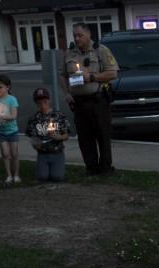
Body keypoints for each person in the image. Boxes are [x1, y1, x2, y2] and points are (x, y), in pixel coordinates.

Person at [60, 23, 118, 176]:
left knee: (102, 135)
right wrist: (66, 92)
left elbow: (113, 73)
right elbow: (62, 74)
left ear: (88, 35)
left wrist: (92, 77)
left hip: (98, 100)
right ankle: (91, 167)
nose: (77, 38)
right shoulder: (70, 53)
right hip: (78, 102)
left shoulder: (101, 50)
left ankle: (105, 168)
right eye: (75, 36)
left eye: (80, 35)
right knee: (85, 138)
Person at [25, 88, 71, 183]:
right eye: (39, 103)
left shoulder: (59, 116)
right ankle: (44, 170)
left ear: (49, 100)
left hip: (57, 152)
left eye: (45, 101)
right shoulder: (34, 119)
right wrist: (35, 143)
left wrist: (59, 137)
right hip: (43, 153)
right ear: (36, 103)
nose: (42, 105)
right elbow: (32, 137)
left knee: (57, 177)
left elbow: (66, 135)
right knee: (42, 177)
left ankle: (57, 169)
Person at [0, 74, 20, 185]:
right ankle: (9, 175)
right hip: (1, 132)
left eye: (0, 87)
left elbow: (14, 116)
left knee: (14, 153)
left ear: (8, 87)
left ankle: (16, 174)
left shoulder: (12, 99)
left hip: (12, 131)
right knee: (5, 154)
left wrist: (1, 117)